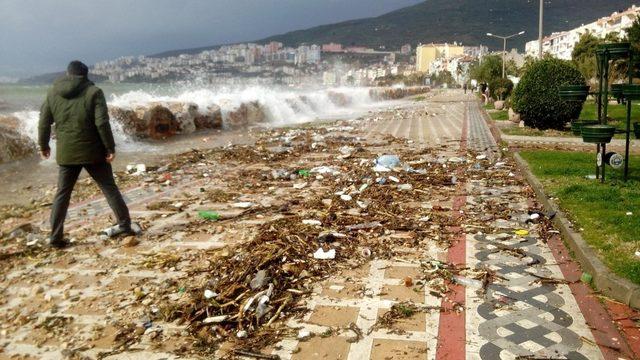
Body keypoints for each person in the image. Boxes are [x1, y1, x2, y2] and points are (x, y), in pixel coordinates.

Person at [39, 61, 137, 248]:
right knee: (109, 187)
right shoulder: (94, 92)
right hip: (94, 152)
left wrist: (43, 144)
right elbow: (102, 123)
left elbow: (44, 122)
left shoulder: (52, 93)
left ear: (68, 74)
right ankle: (124, 225)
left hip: (67, 153)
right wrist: (110, 147)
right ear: (86, 75)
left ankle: (55, 237)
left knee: (62, 193)